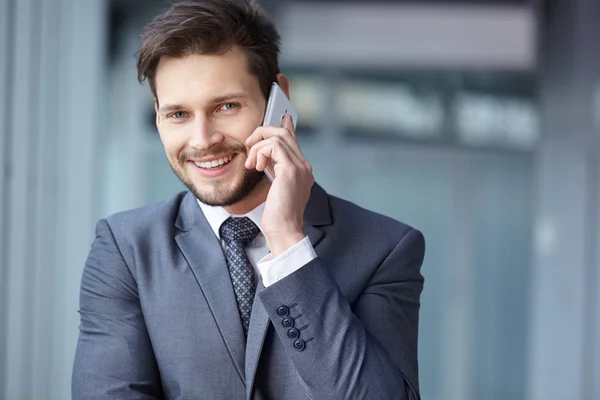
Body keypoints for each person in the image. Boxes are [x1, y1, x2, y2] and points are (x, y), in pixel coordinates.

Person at [71, 1, 426, 399]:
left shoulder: (385, 247)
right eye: (178, 115)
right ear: (157, 116)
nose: (202, 140)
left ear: (279, 101)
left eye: (226, 106)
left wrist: (289, 244)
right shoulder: (126, 249)